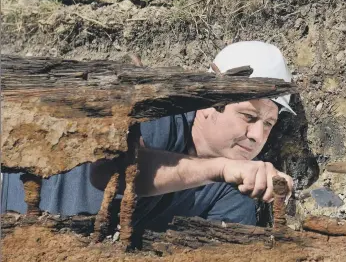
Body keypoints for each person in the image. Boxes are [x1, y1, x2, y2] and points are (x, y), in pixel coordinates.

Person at [1, 41, 294, 229]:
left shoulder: (231, 198)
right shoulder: (159, 114)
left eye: (269, 124)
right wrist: (221, 168)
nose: (257, 135)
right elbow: (108, 173)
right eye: (248, 117)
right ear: (208, 104)